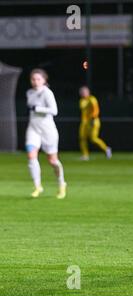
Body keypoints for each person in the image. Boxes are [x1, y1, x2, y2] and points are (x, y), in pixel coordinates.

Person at [25, 68, 67, 199]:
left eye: (38, 79)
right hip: (33, 129)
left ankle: (61, 184)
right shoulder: (29, 92)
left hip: (48, 130)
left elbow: (54, 111)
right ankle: (37, 186)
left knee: (53, 161)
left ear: (44, 80)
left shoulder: (47, 93)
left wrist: (38, 109)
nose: (35, 81)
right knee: (31, 156)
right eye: (33, 79)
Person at [78, 86, 112, 160]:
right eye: (81, 92)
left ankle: (106, 149)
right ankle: (85, 155)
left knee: (93, 138)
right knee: (82, 138)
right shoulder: (81, 101)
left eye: (84, 92)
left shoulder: (92, 99)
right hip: (84, 122)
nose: (82, 93)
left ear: (88, 92)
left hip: (93, 121)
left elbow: (96, 110)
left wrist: (93, 119)